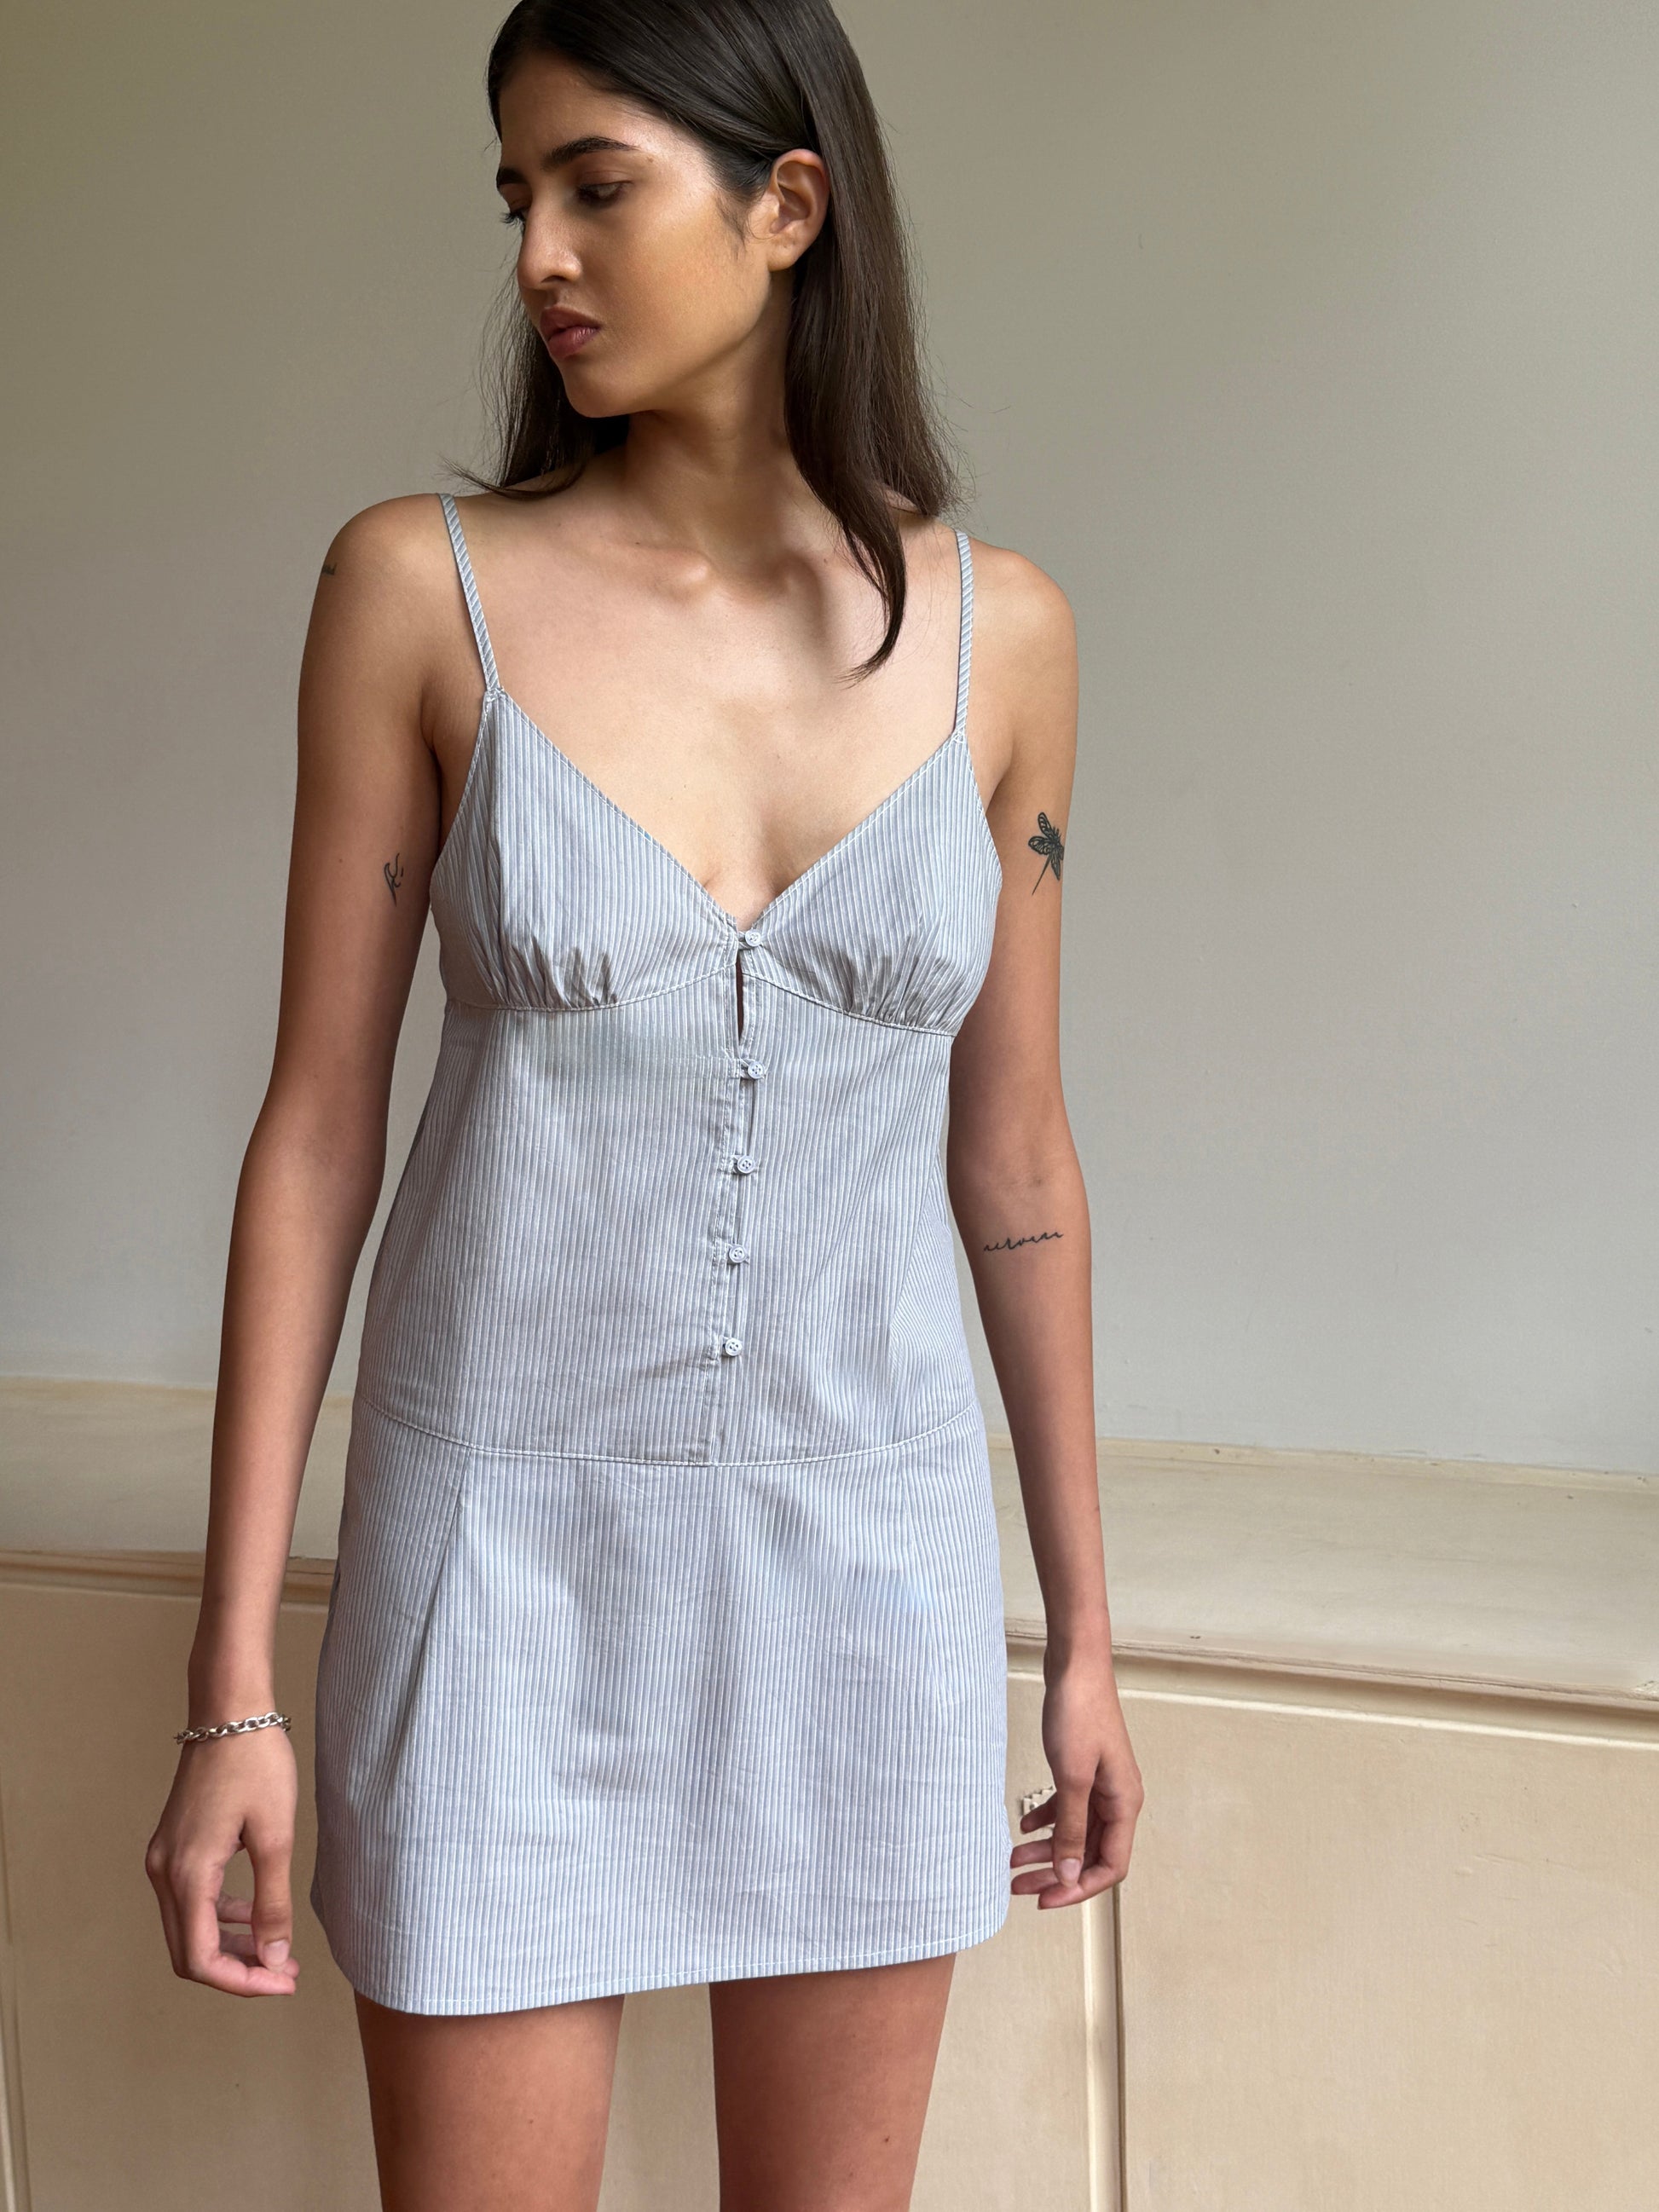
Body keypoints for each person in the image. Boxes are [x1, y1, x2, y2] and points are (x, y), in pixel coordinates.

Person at [145, 0, 1142, 2202]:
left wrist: (1080, 1635)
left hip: (863, 1564)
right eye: (518, 196)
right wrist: (235, 1683)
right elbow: (316, 1135)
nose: (539, 254)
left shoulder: (1011, 641)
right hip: (499, 1568)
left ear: (787, 208)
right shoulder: (419, 592)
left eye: (597, 182)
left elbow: (1017, 1162)